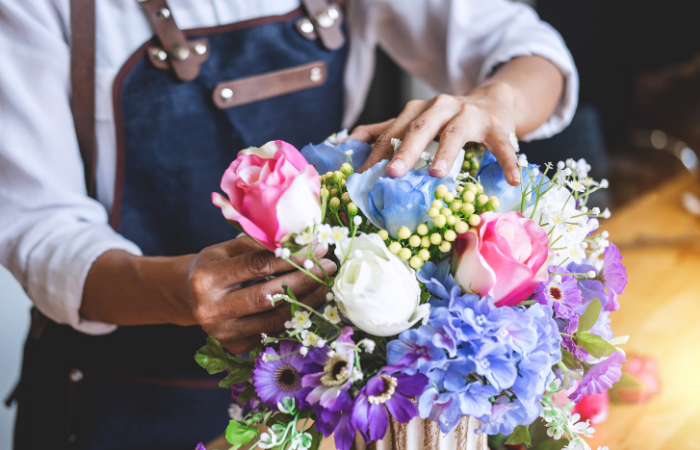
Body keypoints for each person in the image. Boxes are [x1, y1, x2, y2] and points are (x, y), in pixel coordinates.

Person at [0, 0, 576, 448]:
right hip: (113, 400)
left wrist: (496, 100)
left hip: (311, 397)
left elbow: (529, 51)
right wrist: (179, 292)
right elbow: (40, 228)